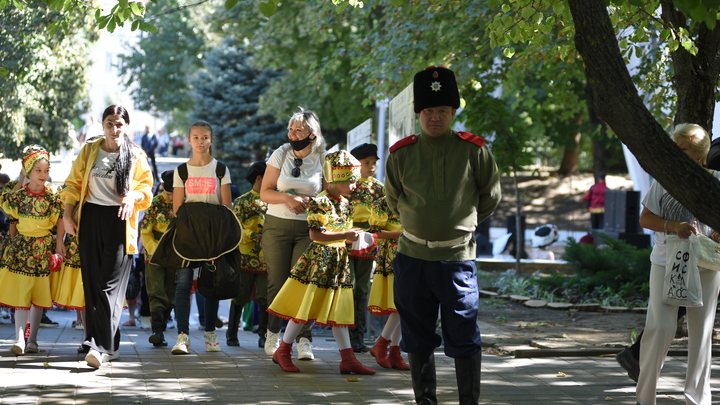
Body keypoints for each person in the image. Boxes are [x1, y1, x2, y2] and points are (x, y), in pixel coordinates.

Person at [385, 66, 501, 405]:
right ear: (418, 113)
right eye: (429, 111)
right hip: (413, 259)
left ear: (453, 113)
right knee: (417, 338)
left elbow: (490, 196)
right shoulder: (401, 153)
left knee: (464, 335)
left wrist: (460, 223)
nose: (435, 117)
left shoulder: (474, 150)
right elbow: (394, 200)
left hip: (456, 260)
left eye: (443, 111)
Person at [61, 105, 154, 369]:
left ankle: (97, 347)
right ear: (102, 124)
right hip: (90, 218)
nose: (114, 129)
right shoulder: (90, 150)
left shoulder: (135, 154)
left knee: (109, 285)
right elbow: (72, 185)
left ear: (126, 126)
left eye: (119, 124)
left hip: (121, 222)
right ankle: (108, 346)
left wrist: (132, 197)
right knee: (92, 284)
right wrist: (68, 216)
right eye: (110, 123)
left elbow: (147, 189)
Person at [267, 150, 375, 375]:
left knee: (339, 311)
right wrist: (346, 234)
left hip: (338, 263)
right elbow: (316, 235)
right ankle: (283, 350)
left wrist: (352, 236)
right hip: (319, 263)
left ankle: (347, 359)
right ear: (339, 178)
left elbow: (340, 233)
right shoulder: (320, 201)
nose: (356, 185)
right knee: (305, 308)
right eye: (352, 180)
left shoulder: (345, 203)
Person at [635, 123, 720, 405]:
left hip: (706, 264)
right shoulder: (664, 180)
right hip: (665, 262)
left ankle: (698, 400)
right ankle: (645, 398)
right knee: (659, 327)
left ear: (699, 154)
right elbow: (645, 219)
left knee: (701, 333)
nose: (675, 152)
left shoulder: (716, 179)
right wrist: (673, 226)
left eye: (681, 148)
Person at [160, 121, 233, 355]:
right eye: (196, 137)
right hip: (188, 233)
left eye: (205, 137)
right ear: (189, 140)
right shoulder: (182, 171)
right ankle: (183, 336)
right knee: (182, 283)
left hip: (213, 235)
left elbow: (227, 206)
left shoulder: (220, 169)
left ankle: (210, 334)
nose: (200, 141)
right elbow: (177, 207)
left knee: (210, 284)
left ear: (211, 139)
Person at [260, 107, 325, 360]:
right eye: (291, 128)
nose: (293, 133)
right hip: (277, 225)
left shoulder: (323, 157)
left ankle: (304, 339)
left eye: (299, 129)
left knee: (303, 283)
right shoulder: (281, 153)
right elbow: (265, 191)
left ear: (312, 133)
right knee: (277, 282)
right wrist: (288, 197)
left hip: (309, 229)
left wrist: (313, 201)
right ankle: (272, 334)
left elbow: (331, 194)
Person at [0, 145, 65, 355]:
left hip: (43, 248)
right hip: (22, 248)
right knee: (22, 294)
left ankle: (33, 340)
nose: (43, 175)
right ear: (28, 170)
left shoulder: (52, 196)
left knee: (38, 296)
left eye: (46, 171)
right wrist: (21, 178)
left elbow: (60, 220)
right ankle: (19, 339)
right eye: (37, 170)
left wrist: (58, 245)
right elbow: (5, 202)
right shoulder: (18, 195)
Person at [347, 143, 384, 352]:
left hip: (367, 241)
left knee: (361, 289)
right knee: (347, 286)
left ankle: (357, 339)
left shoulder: (379, 188)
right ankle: (344, 334)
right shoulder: (347, 185)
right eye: (366, 163)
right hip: (345, 239)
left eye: (373, 163)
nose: (371, 167)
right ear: (355, 165)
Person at [227, 161, 269, 348]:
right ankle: (232, 334)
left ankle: (264, 335)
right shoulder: (243, 201)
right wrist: (253, 235)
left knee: (266, 297)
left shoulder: (275, 200)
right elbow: (235, 229)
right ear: (259, 178)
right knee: (240, 296)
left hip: (268, 258)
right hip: (245, 257)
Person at [367, 195, 409, 370]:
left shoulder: (416, 197)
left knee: (404, 305)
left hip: (411, 253)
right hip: (393, 255)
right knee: (401, 304)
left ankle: (393, 351)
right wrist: (403, 234)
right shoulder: (383, 202)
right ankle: (382, 344)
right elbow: (375, 232)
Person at [140, 170, 176, 347]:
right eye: (168, 193)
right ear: (162, 187)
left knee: (171, 293)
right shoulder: (155, 203)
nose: (170, 197)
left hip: (176, 254)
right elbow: (145, 231)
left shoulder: (183, 203)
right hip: (154, 253)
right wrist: (156, 251)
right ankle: (157, 331)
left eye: (174, 193)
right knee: (156, 291)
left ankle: (162, 328)